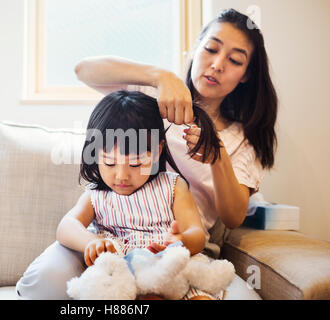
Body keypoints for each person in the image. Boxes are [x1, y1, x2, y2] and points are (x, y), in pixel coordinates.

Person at [74, 8, 277, 248]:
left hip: (180, 247)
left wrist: (218, 157)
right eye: (211, 49)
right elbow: (83, 70)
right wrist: (159, 76)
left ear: (246, 75)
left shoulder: (243, 140)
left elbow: (233, 218)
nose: (217, 64)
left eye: (234, 60)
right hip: (112, 235)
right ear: (195, 50)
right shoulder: (151, 96)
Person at [17, 90, 222, 300]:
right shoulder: (96, 196)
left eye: (135, 163)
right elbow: (66, 226)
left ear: (158, 151)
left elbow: (196, 233)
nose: (122, 175)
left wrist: (180, 241)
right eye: (109, 162)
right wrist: (90, 241)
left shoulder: (172, 185)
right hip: (122, 276)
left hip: (168, 267)